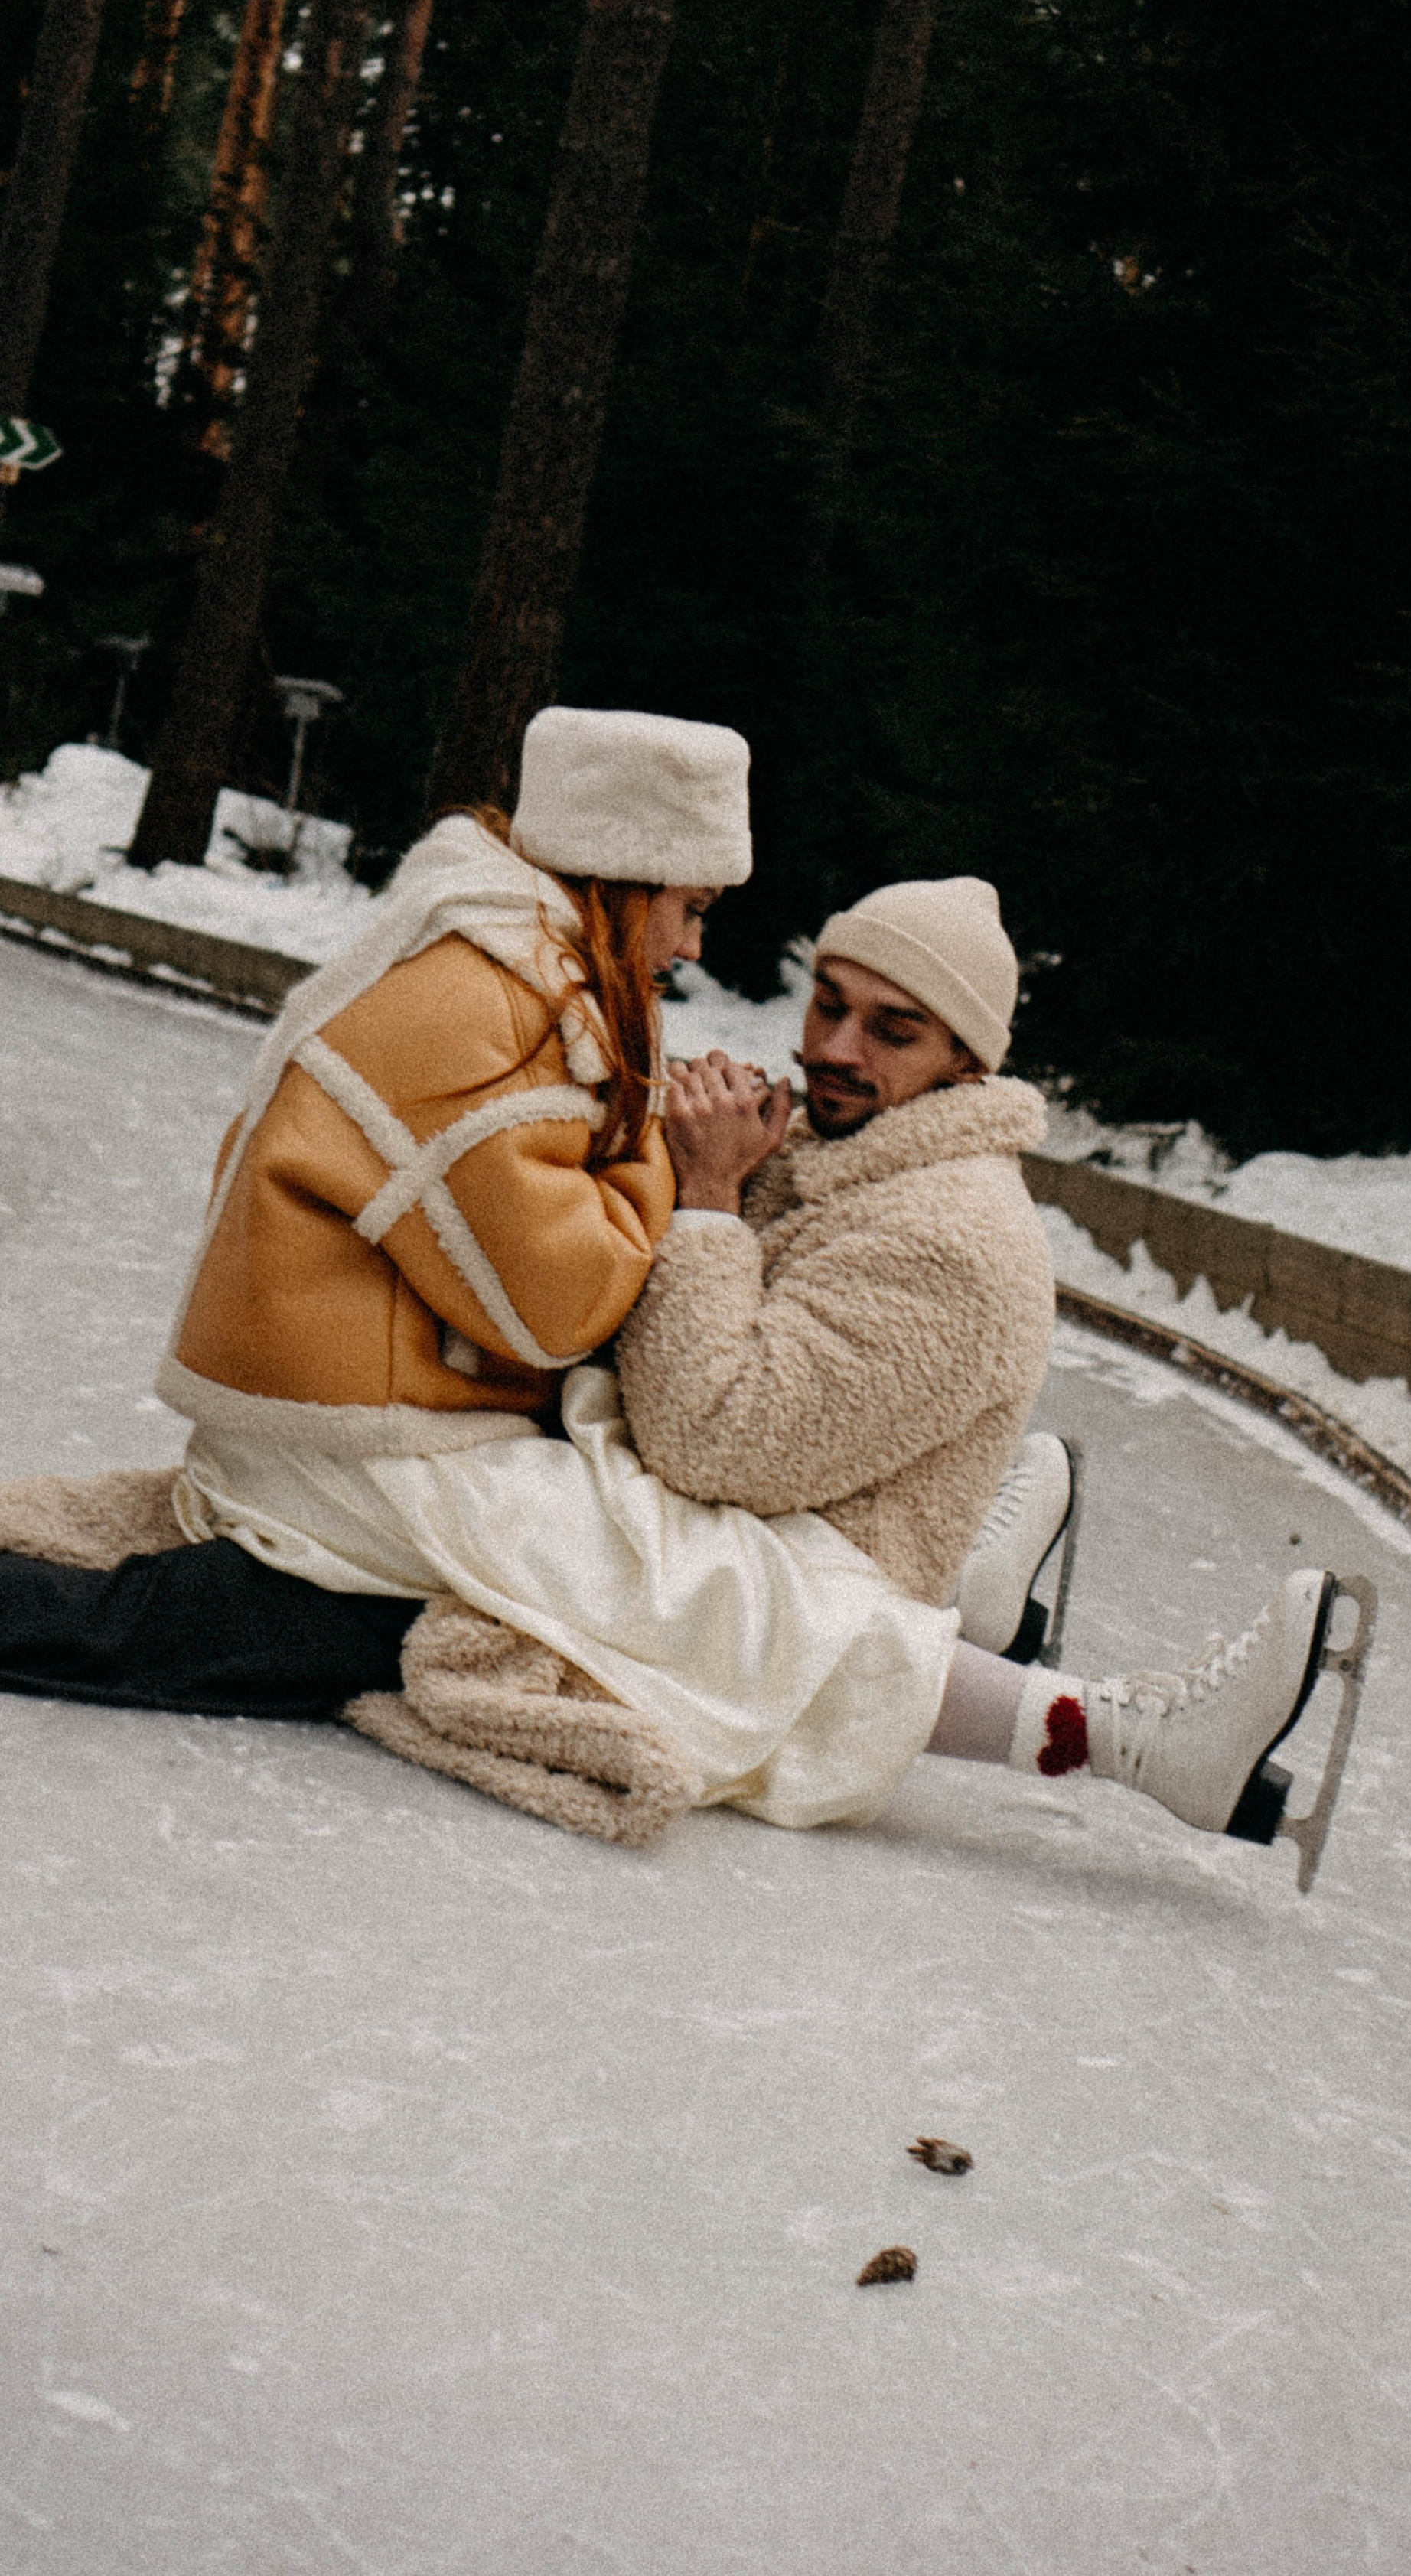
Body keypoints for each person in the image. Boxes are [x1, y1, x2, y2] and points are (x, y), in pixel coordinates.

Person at [0, 724, 1332, 1855]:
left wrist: (684, 1178)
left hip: (374, 1416)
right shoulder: (492, 1009)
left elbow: (690, 1405)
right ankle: (1108, 1727)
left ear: (968, 1066)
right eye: (696, 909)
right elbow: (566, 1307)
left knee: (693, 1588)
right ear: (628, 878)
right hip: (353, 1442)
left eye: (892, 1027)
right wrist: (677, 1171)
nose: (702, 952)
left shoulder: (529, 997)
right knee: (701, 1596)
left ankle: (1088, 1700)